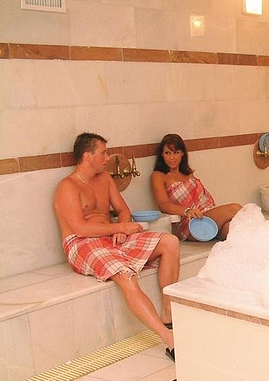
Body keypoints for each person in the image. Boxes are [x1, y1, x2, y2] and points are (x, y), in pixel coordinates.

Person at [54, 133, 179, 360]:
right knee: (125, 273)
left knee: (169, 242)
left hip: (110, 236)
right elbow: (80, 229)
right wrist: (119, 227)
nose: (107, 158)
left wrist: (121, 227)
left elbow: (123, 210)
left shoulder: (104, 178)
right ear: (88, 156)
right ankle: (169, 339)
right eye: (103, 153)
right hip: (81, 243)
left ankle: (168, 313)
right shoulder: (67, 187)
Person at [151, 133, 242, 241]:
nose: (172, 158)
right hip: (190, 222)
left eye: (176, 152)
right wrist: (187, 211)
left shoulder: (188, 173)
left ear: (182, 153)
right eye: (167, 153)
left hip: (207, 214)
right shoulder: (159, 176)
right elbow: (163, 204)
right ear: (162, 154)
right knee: (235, 208)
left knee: (233, 231)